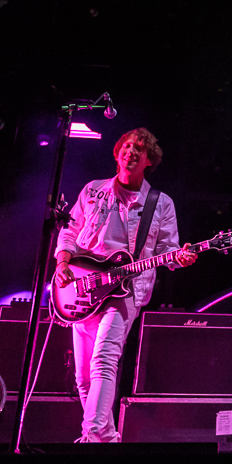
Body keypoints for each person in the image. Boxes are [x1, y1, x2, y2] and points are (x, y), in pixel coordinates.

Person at [53, 128, 197, 442]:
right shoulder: (93, 190)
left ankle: (92, 436)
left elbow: (167, 251)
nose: (131, 151)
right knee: (83, 377)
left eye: (139, 149)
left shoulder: (160, 203)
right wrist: (63, 262)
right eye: (127, 146)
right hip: (83, 285)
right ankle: (106, 437)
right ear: (118, 153)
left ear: (149, 160)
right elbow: (70, 231)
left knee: (104, 359)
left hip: (125, 291)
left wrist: (180, 258)